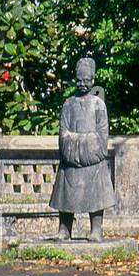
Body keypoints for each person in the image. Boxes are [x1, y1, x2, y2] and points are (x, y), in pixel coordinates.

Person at [51, 58, 116, 241]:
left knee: (96, 194)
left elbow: (102, 136)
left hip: (93, 160)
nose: (82, 84)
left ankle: (96, 229)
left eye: (86, 80)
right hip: (70, 160)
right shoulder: (68, 104)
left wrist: (80, 142)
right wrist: (77, 144)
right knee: (66, 193)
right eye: (79, 80)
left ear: (93, 80)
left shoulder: (98, 105)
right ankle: (65, 229)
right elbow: (63, 134)